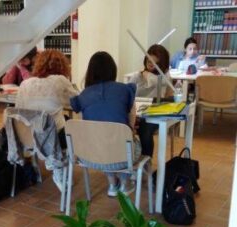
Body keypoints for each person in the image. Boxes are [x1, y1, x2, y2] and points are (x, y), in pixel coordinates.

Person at [70, 51, 139, 197]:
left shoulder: (83, 96)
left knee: (101, 138)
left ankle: (113, 184)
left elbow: (87, 124)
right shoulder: (124, 90)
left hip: (92, 157)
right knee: (126, 139)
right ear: (113, 69)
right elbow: (131, 123)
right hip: (123, 159)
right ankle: (126, 183)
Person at [15, 49, 78, 191]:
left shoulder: (25, 84)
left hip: (28, 137)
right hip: (53, 137)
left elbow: (18, 111)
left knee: (60, 120)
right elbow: (77, 102)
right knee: (71, 126)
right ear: (63, 66)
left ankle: (53, 161)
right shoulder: (60, 81)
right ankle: (58, 163)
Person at [128, 44, 172, 157]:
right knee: (120, 124)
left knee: (145, 129)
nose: (150, 64)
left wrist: (149, 76)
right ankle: (126, 160)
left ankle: (146, 162)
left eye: (155, 63)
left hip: (153, 115)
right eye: (148, 61)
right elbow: (126, 95)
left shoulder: (165, 77)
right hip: (135, 113)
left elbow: (160, 82)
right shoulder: (137, 76)